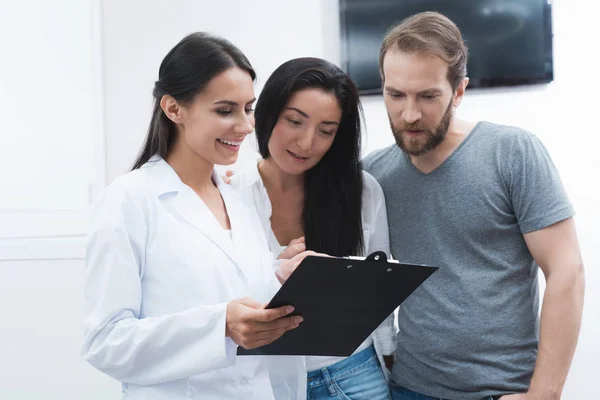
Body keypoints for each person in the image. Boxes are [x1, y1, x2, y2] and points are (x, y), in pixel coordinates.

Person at [363, 12, 585, 400]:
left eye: (428, 96)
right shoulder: (374, 175)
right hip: (409, 387)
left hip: (503, 390)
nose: (409, 114)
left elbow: (567, 271)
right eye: (395, 95)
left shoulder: (512, 152)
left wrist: (544, 394)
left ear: (459, 91)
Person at [81, 32, 314, 399]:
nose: (245, 125)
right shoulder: (129, 201)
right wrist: (219, 325)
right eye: (225, 110)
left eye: (248, 108)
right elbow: (106, 342)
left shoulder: (238, 196)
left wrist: (283, 273)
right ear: (174, 109)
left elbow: (230, 285)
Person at [227, 57, 395, 400]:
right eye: (294, 121)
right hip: (265, 381)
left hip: (355, 375)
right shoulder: (229, 196)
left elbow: (379, 292)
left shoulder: (362, 191)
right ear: (268, 112)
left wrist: (390, 356)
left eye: (326, 131)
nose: (306, 143)